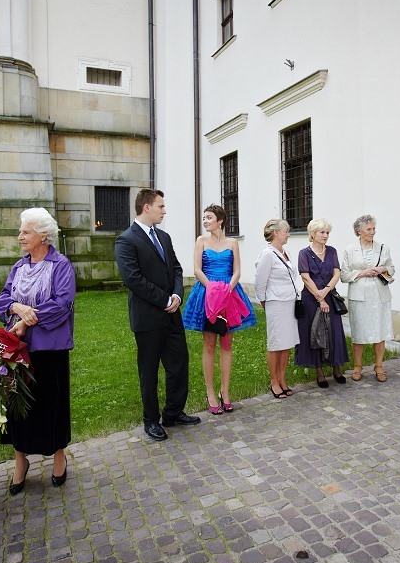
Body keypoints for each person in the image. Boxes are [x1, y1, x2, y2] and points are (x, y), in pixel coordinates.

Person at [0, 207, 75, 494]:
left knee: (51, 403)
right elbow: (1, 300)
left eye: (25, 232)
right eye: (21, 232)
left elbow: (62, 304)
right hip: (18, 350)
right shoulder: (18, 266)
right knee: (18, 408)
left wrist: (29, 319)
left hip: (49, 349)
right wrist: (17, 307)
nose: (20, 237)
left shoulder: (61, 264)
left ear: (43, 235)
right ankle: (20, 462)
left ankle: (58, 457)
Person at [115, 189, 200, 441]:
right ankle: (151, 420)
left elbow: (176, 268)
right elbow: (133, 279)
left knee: (178, 364)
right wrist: (164, 299)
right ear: (147, 207)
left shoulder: (164, 236)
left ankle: (173, 413)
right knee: (149, 370)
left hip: (172, 314)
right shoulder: (126, 240)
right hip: (148, 317)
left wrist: (176, 296)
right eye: (161, 206)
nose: (164, 211)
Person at [182, 204, 257, 414]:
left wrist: (227, 290)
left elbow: (237, 271)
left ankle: (225, 391)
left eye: (209, 218)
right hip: (207, 292)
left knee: (226, 342)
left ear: (220, 220)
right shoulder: (201, 241)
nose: (205, 221)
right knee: (208, 344)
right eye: (204, 218)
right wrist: (214, 290)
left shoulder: (232, 242)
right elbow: (197, 269)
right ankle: (210, 392)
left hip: (229, 293)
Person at [340, 215, 395, 383]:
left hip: (379, 296)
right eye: (369, 229)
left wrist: (382, 268)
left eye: (374, 229)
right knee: (359, 332)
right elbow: (343, 275)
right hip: (359, 296)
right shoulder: (350, 250)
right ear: (359, 231)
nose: (373, 232)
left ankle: (379, 367)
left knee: (380, 331)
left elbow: (392, 269)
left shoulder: (383, 248)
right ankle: (357, 367)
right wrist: (362, 273)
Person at [295, 218, 349, 387]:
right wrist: (319, 298)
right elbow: (305, 277)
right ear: (312, 234)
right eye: (322, 232)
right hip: (310, 299)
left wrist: (325, 292)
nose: (326, 235)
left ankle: (336, 368)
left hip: (330, 296)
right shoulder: (304, 253)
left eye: (327, 232)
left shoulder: (332, 251)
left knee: (334, 332)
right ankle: (319, 371)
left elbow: (337, 273)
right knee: (314, 333)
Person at [254, 218, 300, 399]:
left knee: (286, 342)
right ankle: (274, 381)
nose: (288, 234)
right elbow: (260, 283)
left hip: (290, 302)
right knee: (275, 344)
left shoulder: (284, 252)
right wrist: (265, 304)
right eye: (286, 231)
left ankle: (282, 379)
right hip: (276, 303)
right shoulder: (267, 254)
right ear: (276, 233)